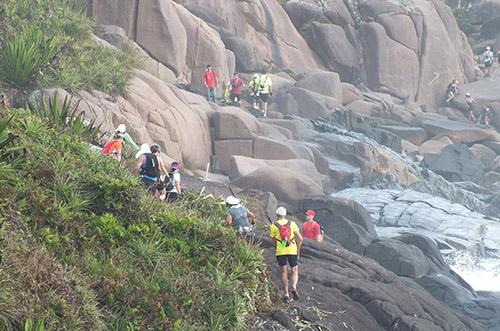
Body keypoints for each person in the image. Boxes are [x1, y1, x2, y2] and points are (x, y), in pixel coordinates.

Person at [269, 207, 303, 303]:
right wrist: (298, 250)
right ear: (285, 214)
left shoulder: (273, 226)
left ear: (276, 215)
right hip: (292, 249)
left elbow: (273, 241)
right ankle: (294, 286)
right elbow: (300, 238)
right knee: (294, 269)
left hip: (281, 250)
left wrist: (280, 245)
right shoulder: (292, 224)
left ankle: (286, 294)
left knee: (283, 271)